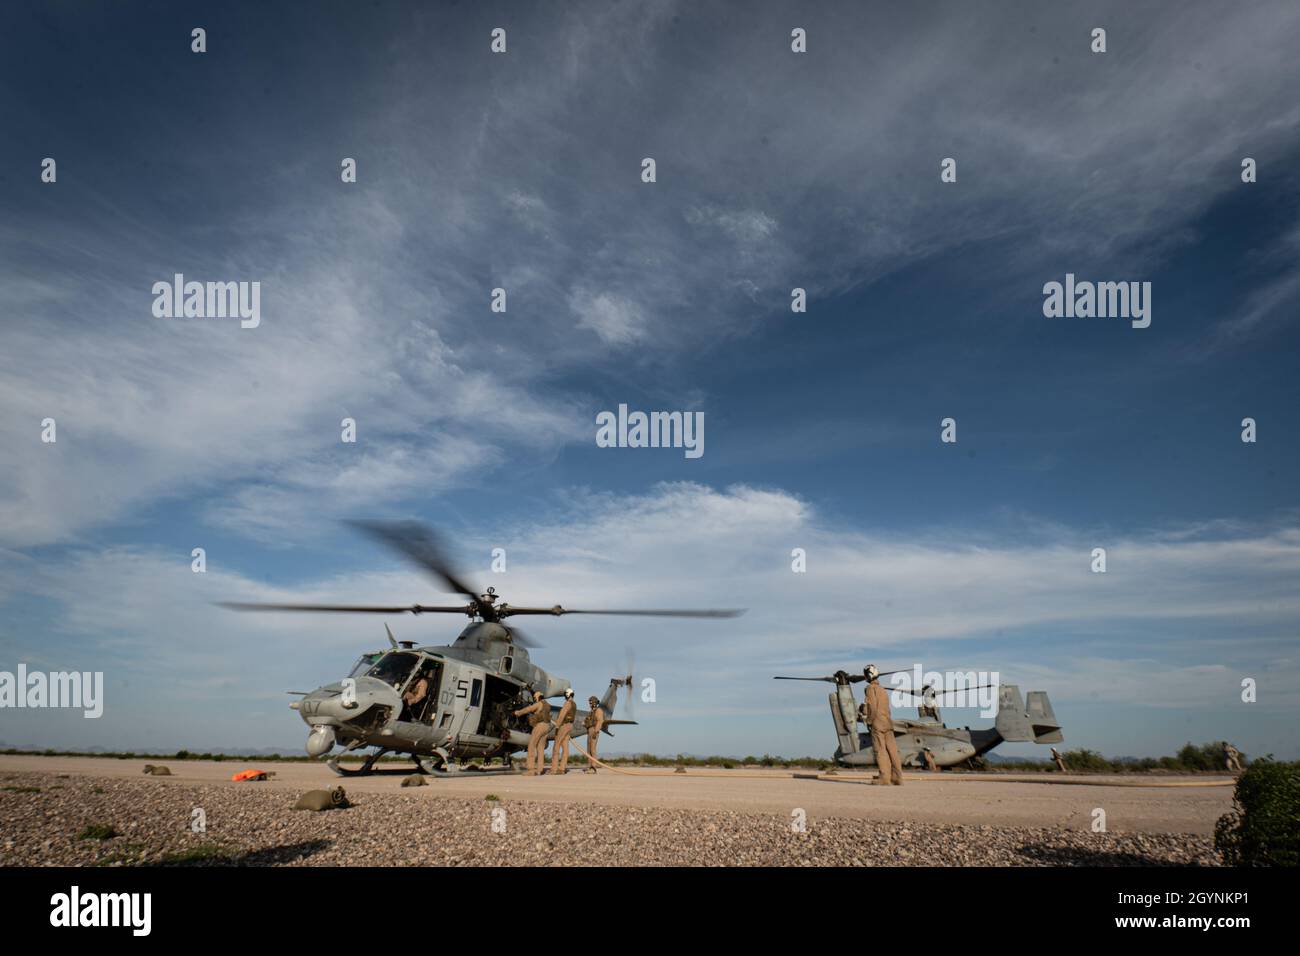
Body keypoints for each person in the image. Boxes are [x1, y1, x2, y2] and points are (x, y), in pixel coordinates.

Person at [863, 665, 903, 786]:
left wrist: (869, 720)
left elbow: (872, 706)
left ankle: (884, 778)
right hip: (888, 721)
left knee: (880, 750)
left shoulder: (870, 688)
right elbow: (887, 708)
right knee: (893, 750)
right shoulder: (883, 689)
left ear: (868, 676)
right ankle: (897, 777)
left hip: (877, 722)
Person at [513, 691, 552, 775]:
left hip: (540, 726)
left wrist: (518, 713)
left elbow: (528, 709)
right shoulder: (548, 705)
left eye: (535, 698)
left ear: (538, 697)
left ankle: (530, 770)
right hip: (547, 726)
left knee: (531, 745)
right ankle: (540, 769)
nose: (535, 699)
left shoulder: (539, 704)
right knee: (540, 748)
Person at [550, 688, 577, 775]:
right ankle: (562, 768)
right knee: (565, 748)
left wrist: (557, 726)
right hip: (570, 726)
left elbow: (562, 715)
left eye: (565, 694)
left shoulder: (567, 703)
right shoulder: (574, 704)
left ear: (568, 695)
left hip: (564, 726)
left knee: (556, 746)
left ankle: (554, 769)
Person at [582, 695, 605, 773]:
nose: (590, 704)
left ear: (594, 702)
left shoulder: (599, 711)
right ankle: (589, 765)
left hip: (594, 730)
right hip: (589, 730)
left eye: (591, 702)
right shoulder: (591, 712)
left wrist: (596, 731)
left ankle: (594, 766)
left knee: (592, 749)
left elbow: (600, 721)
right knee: (588, 749)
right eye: (589, 702)